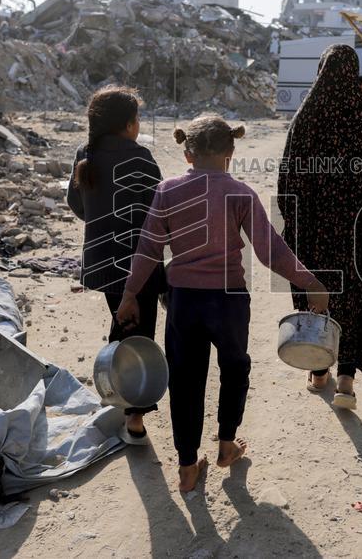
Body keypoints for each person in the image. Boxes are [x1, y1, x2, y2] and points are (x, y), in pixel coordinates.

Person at [117, 115, 328, 492]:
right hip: (229, 301)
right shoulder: (241, 193)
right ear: (231, 151)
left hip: (183, 301)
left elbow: (148, 250)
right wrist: (310, 281)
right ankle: (227, 444)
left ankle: (186, 467)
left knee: (185, 380)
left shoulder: (167, 191)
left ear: (187, 153)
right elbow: (270, 252)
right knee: (234, 369)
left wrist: (130, 295)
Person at [278, 44, 362, 410]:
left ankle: (318, 371)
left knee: (317, 293)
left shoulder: (307, 114)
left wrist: (292, 222)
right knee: (356, 300)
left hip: (313, 229)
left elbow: (287, 178)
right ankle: (346, 381)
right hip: (356, 230)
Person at [66, 85, 165, 446]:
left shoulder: (85, 155)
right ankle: (134, 416)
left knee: (122, 323)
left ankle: (117, 395)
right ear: (126, 125)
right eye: (136, 119)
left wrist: (98, 223)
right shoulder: (140, 158)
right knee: (139, 334)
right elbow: (160, 211)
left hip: (105, 262)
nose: (138, 125)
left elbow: (75, 203)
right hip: (140, 263)